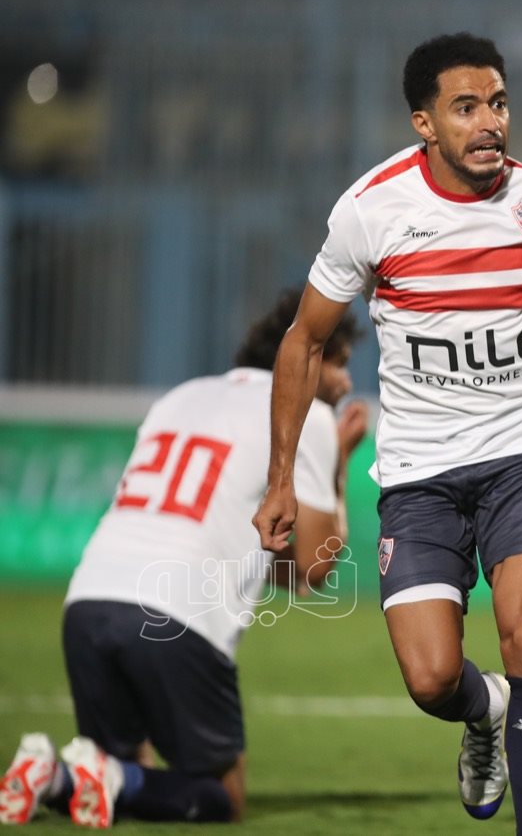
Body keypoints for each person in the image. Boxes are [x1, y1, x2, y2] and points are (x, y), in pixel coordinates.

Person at [251, 33, 522, 836]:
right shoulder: (371, 211)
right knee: (430, 679)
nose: (490, 122)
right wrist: (281, 480)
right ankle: (483, 711)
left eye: (499, 103)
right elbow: (304, 341)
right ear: (424, 123)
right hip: (420, 472)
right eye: (466, 108)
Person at [0, 289, 365, 828]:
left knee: (114, 780)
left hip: (88, 602)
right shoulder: (305, 415)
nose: (346, 382)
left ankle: (55, 777)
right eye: (340, 363)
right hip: (177, 615)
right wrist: (339, 465)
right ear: (312, 356)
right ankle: (71, 775)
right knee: (221, 798)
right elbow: (314, 566)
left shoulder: (182, 395)